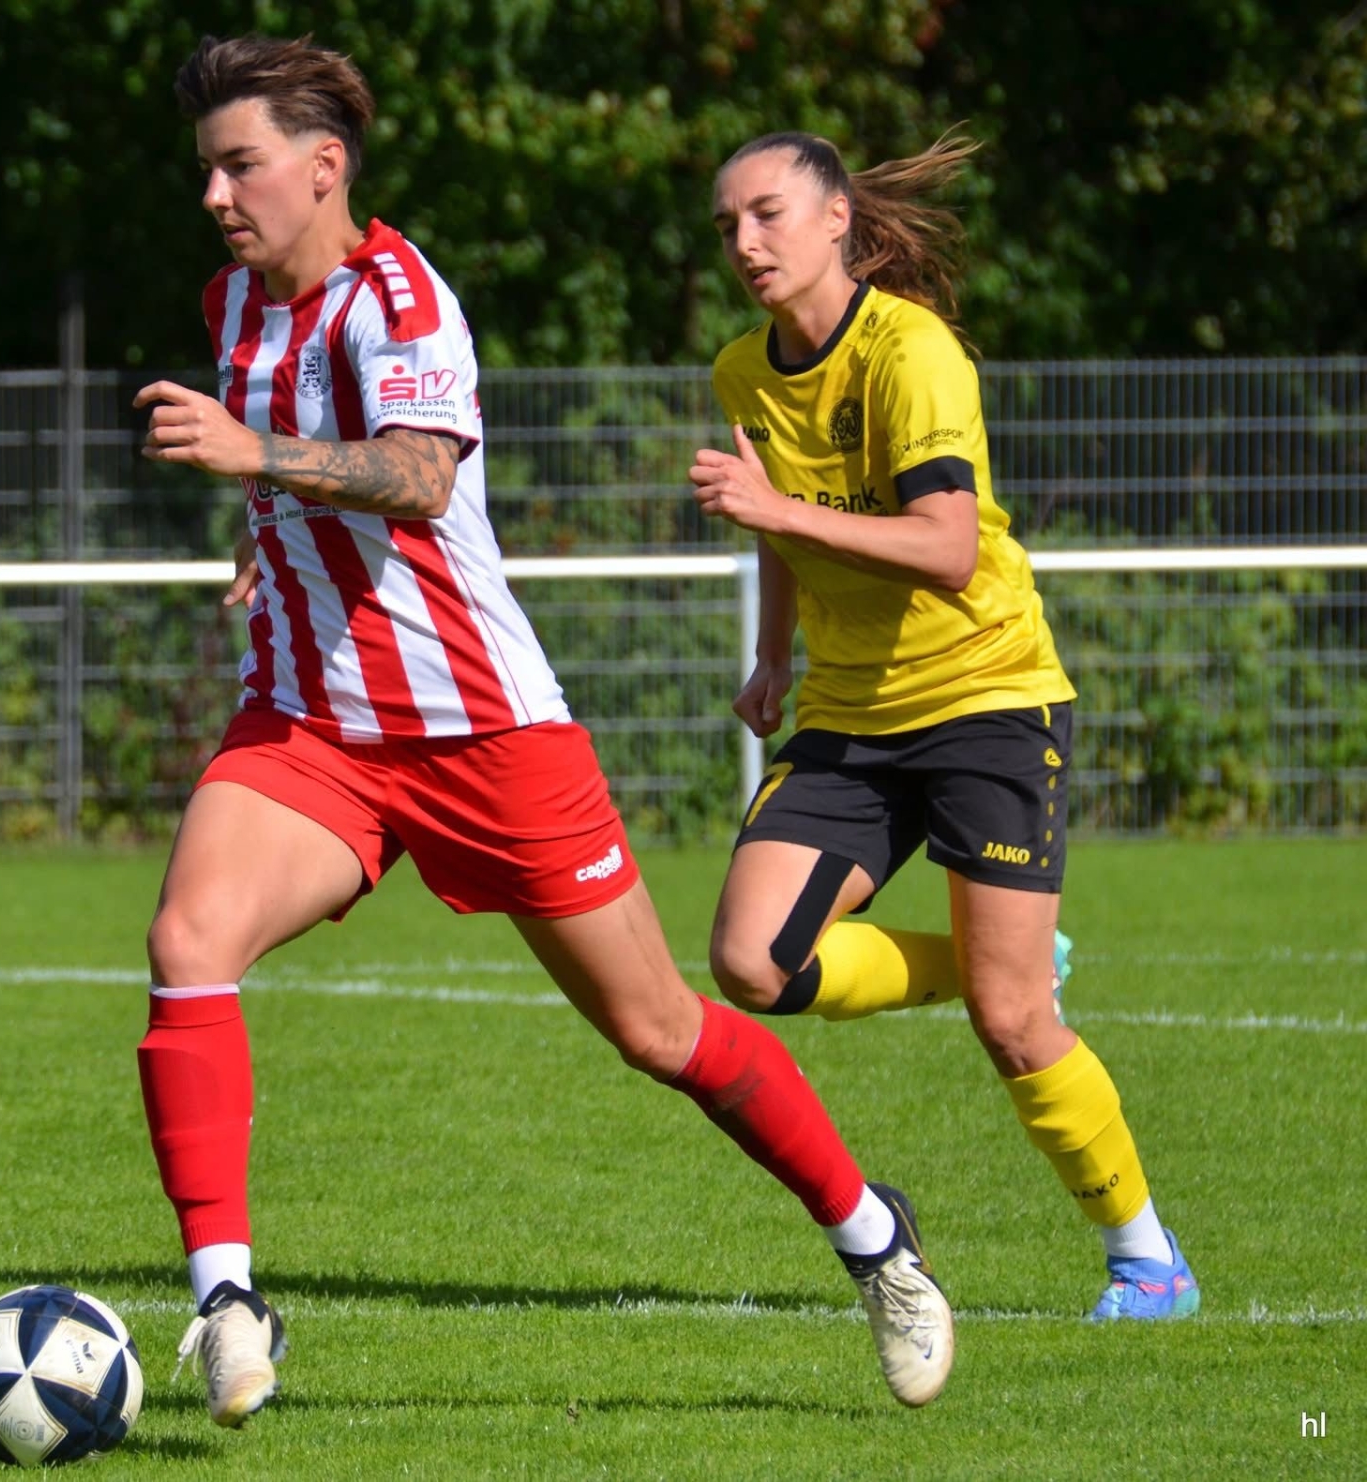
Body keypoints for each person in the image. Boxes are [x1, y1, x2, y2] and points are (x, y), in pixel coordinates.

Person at [131, 34, 955, 1428]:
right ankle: (226, 1302)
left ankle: (875, 1239)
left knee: (660, 1028)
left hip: (482, 733)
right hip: (312, 725)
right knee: (186, 943)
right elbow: (302, 482)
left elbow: (416, 474)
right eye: (206, 170)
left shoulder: (403, 297)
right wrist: (268, 544)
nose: (215, 195)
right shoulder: (235, 303)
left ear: (323, 167)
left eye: (239, 165)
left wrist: (255, 457)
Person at [689, 128, 1198, 1323]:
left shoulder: (913, 351)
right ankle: (990, 963)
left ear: (837, 221)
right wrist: (774, 656)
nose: (745, 243)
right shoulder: (742, 370)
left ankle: (1147, 1259)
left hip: (985, 697)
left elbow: (948, 548)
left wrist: (775, 510)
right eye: (726, 226)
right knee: (753, 962)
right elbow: (779, 526)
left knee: (1015, 1026)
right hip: (849, 713)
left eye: (767, 214)